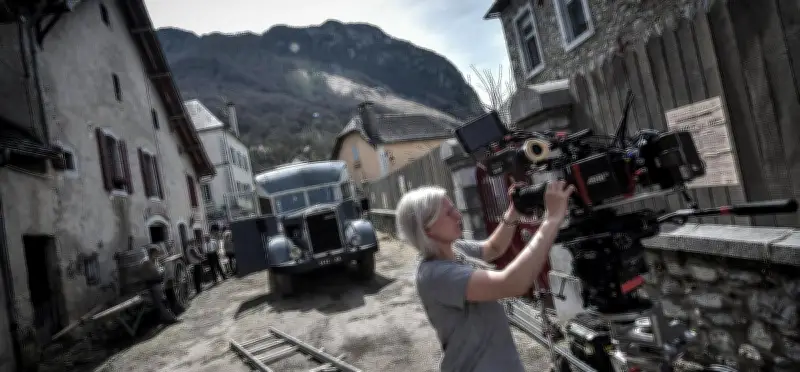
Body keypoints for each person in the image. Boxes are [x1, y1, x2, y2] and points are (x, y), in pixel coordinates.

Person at [395, 181, 574, 372]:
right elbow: (512, 283)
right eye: (448, 213)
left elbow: (494, 248)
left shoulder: (455, 249)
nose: (458, 215)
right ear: (427, 228)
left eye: (454, 208)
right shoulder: (435, 274)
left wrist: (514, 210)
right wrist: (552, 219)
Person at [143, 246, 179, 324]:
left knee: (162, 302)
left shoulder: (153, 260)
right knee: (162, 302)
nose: (158, 255)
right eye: (157, 253)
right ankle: (171, 318)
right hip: (153, 285)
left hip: (158, 283)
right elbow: (156, 272)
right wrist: (161, 270)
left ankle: (166, 318)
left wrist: (161, 270)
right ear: (152, 253)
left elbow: (159, 270)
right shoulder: (147, 262)